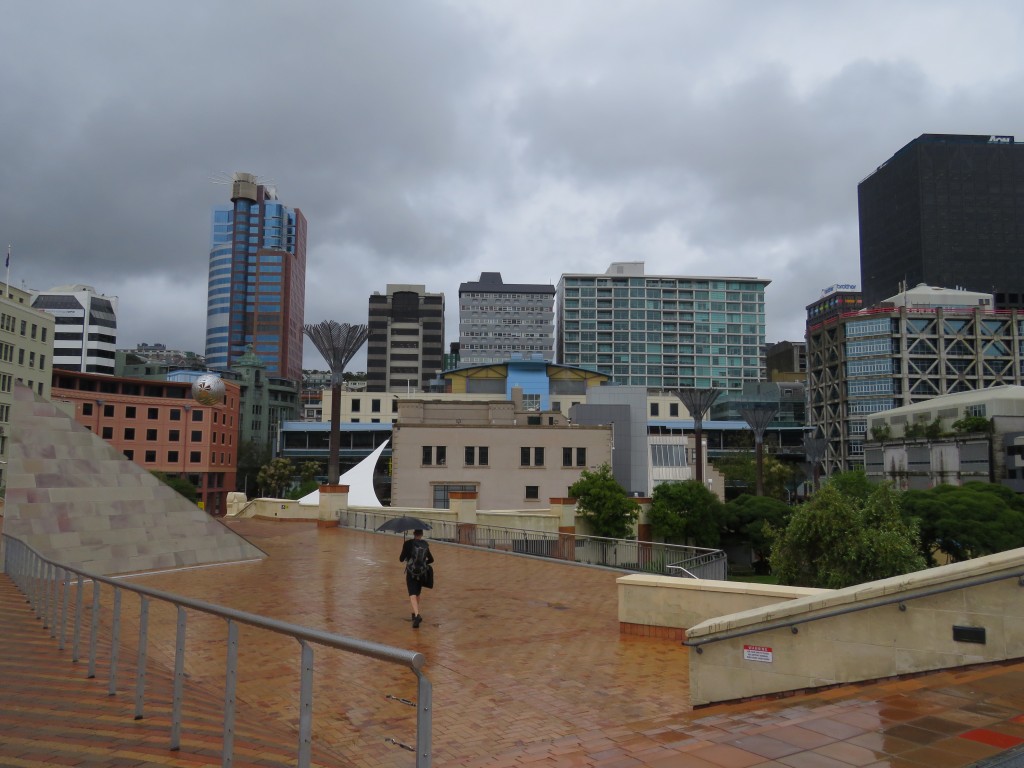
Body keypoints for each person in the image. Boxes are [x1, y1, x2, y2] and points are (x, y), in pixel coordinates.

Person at [399, 529, 434, 628]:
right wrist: (423, 563)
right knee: (417, 593)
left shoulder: (408, 544)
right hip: (422, 573)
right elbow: (431, 559)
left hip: (411, 573)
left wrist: (407, 555)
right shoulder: (425, 544)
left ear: (414, 534)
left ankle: (417, 615)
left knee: (412, 593)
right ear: (422, 534)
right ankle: (414, 614)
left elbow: (401, 559)